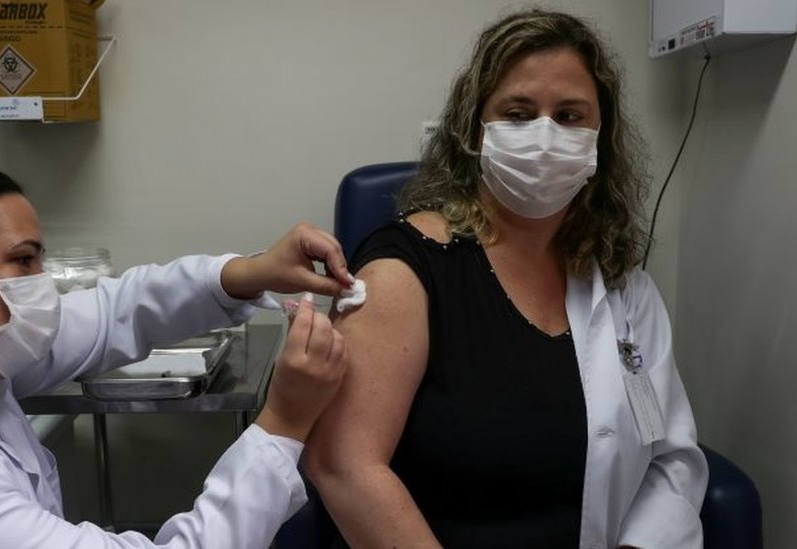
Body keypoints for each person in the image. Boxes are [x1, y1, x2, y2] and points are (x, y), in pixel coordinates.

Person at [303, 8, 708, 549]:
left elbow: (669, 457)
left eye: (569, 116)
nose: (544, 137)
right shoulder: (406, 271)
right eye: (518, 114)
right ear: (475, 131)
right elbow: (343, 465)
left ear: (599, 138)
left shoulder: (622, 285)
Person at [0, 157, 352, 548]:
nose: (42, 285)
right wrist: (284, 421)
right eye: (23, 261)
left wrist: (245, 274)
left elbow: (111, 313)